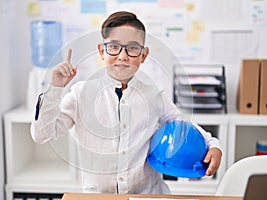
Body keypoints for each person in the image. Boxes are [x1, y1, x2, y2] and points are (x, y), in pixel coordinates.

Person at [31, 11, 222, 194]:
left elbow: (182, 125)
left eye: (132, 48)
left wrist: (213, 144)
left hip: (147, 194)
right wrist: (55, 87)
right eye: (114, 46)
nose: (122, 56)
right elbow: (41, 134)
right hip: (99, 196)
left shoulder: (153, 95)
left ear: (143, 55)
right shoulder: (81, 93)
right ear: (101, 51)